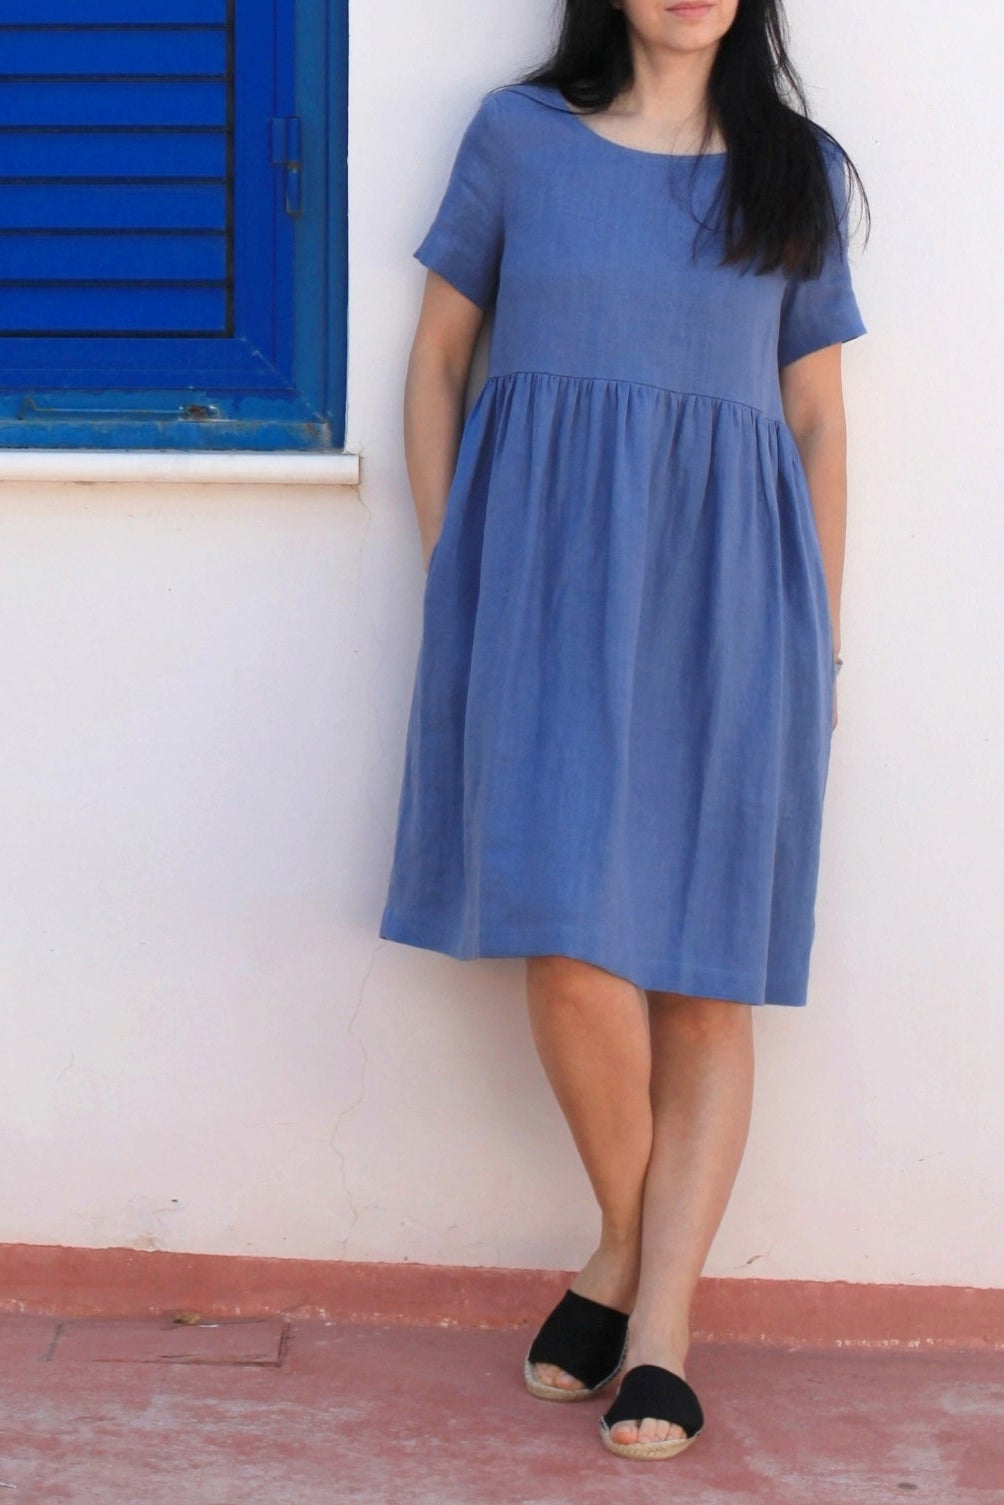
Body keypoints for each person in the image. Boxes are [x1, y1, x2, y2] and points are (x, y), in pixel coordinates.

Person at [379, 0, 869, 1463]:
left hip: (734, 608)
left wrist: (817, 643)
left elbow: (820, 419)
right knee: (572, 952)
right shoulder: (518, 140)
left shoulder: (797, 168)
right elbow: (435, 366)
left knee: (703, 974)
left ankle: (655, 1323)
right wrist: (455, 571)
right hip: (538, 593)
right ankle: (623, 1241)